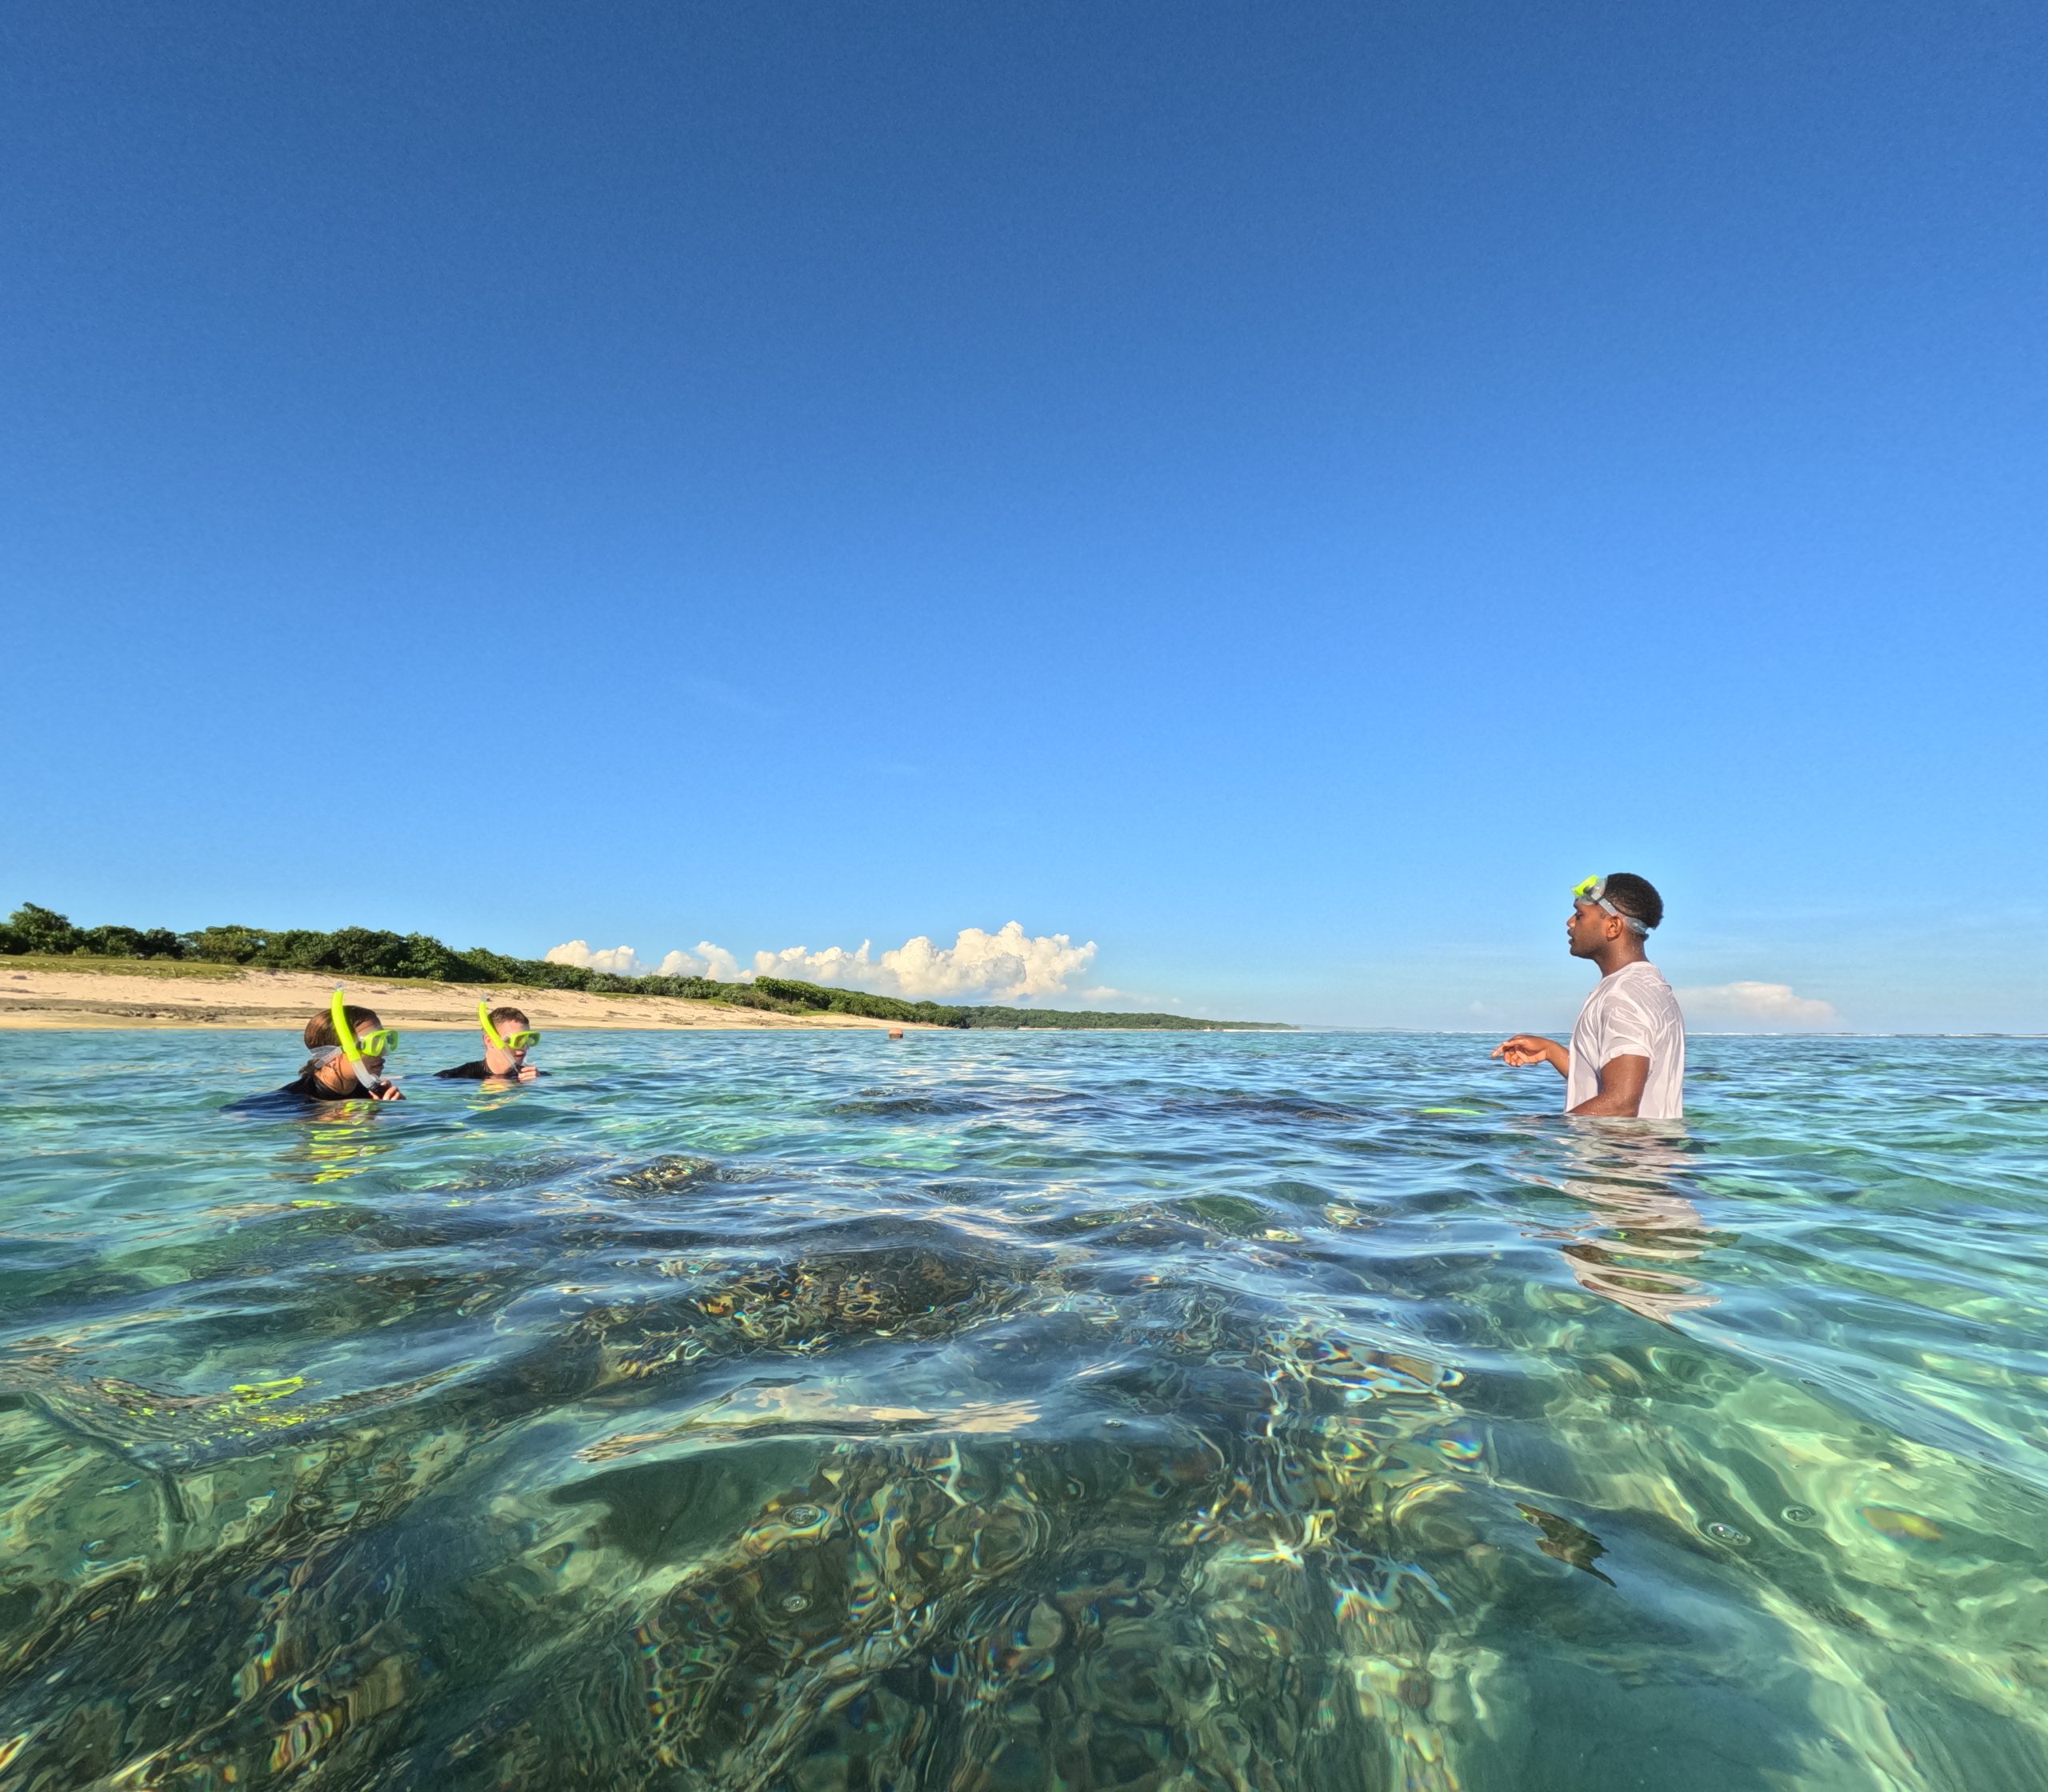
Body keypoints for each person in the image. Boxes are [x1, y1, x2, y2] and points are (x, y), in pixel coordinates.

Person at [1492, 873, 1685, 1118]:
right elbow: (1614, 1079)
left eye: (1580, 915)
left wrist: (1544, 1135)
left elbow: (1621, 1103)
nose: (1570, 922)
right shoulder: (1646, 986)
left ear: (1613, 926)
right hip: (1641, 1154)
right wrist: (1552, 1051)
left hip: (1620, 1157)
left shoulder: (1625, 995)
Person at [267, 991, 406, 1103]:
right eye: (373, 1043)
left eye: (386, 1040)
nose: (382, 1052)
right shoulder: (292, 1102)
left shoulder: (373, 1095)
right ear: (331, 1057)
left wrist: (395, 1110)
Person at [435, 1002, 544, 1082]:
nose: (525, 1047)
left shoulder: (533, 1076)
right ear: (490, 1041)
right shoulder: (453, 1078)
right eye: (517, 1040)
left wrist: (538, 1084)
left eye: (529, 1039)